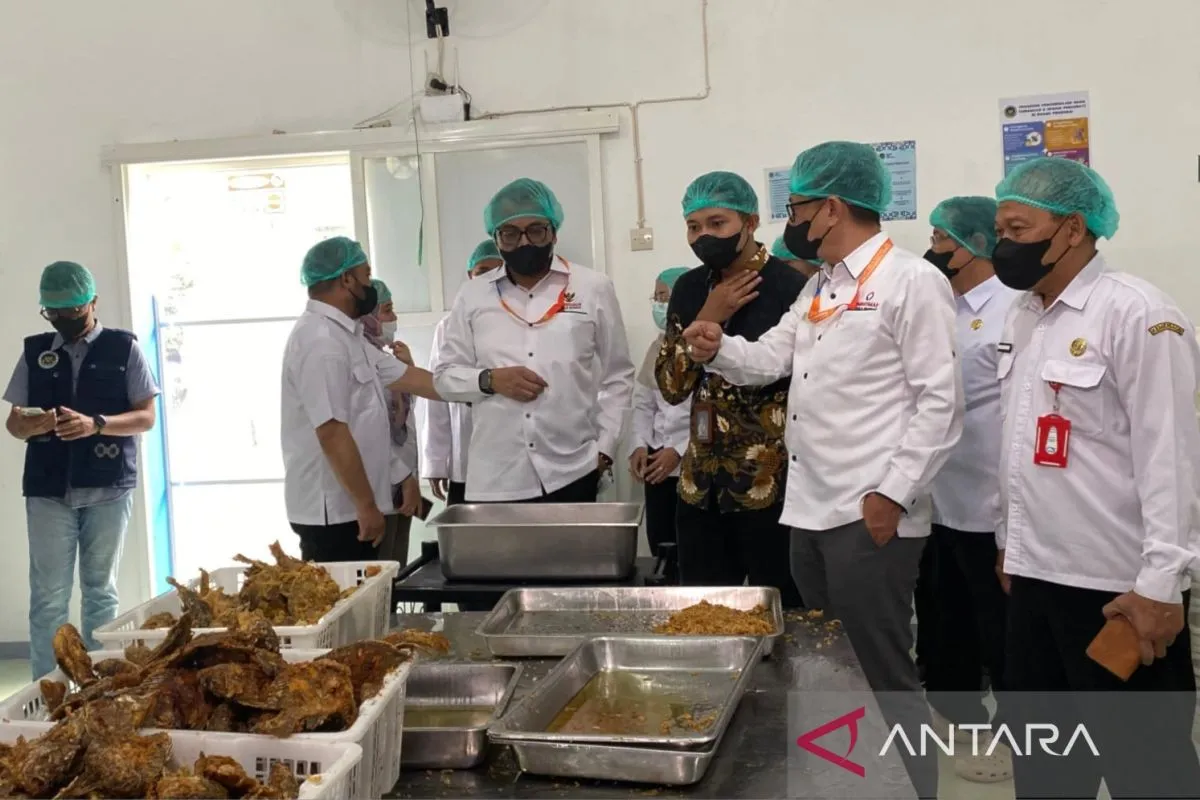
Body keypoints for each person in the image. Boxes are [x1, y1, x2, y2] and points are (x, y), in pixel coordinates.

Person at [683, 142, 962, 799]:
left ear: (831, 208)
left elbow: (941, 403)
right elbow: (770, 360)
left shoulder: (911, 281)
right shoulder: (821, 285)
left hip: (869, 513)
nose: (793, 221)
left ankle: (914, 789)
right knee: (831, 672)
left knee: (882, 673)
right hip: (808, 510)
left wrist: (892, 495)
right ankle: (853, 785)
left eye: (798, 207)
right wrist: (718, 347)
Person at [992, 156, 1200, 798]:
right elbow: (1019, 443)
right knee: (1047, 771)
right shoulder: (1024, 314)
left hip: (1117, 590)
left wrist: (1161, 584)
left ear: (1073, 228)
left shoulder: (1137, 313)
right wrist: (1008, 542)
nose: (1004, 245)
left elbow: (1171, 457)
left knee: (1150, 773)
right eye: (1000, 230)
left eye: (1019, 229)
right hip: (1034, 580)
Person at [654, 171, 805, 608]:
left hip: (770, 485)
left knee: (781, 611)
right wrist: (709, 313)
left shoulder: (789, 288)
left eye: (717, 223)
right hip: (700, 486)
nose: (704, 236)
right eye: (693, 226)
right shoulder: (689, 288)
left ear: (750, 222)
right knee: (703, 612)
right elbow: (671, 386)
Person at [433, 179, 634, 503]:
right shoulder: (472, 295)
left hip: (573, 470)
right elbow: (444, 378)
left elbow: (618, 374)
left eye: (536, 230)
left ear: (553, 232)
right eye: (510, 233)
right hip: (497, 476)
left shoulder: (592, 288)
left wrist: (605, 449)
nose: (524, 242)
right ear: (495, 238)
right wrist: (489, 380)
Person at [4, 261, 159, 679]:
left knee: (100, 591)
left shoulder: (123, 349)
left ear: (92, 302)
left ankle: (97, 685)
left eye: (72, 310)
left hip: (108, 488)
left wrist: (97, 424)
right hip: (48, 489)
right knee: (48, 597)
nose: (64, 319)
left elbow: (146, 416)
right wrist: (32, 425)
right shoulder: (36, 352)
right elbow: (14, 423)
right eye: (53, 312)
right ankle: (46, 690)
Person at [921, 196, 1020, 784]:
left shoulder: (1013, 307)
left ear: (977, 243)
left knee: (1001, 628)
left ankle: (1014, 734)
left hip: (991, 499)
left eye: (942, 239)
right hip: (940, 495)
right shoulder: (939, 305)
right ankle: (956, 715)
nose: (933, 249)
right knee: (946, 616)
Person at [282, 236, 441, 563]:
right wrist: (366, 506)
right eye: (366, 275)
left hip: (353, 508)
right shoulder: (321, 341)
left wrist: (487, 383)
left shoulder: (348, 337)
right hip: (335, 514)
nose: (370, 286)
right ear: (346, 279)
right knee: (345, 595)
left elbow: (411, 381)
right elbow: (332, 432)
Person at [420, 241, 505, 506]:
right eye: (482, 272)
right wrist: (436, 461)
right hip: (465, 458)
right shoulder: (448, 327)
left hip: (512, 459)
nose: (489, 278)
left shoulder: (523, 323)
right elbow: (436, 395)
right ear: (470, 275)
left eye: (497, 270)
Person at [630, 266, 691, 581]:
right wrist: (639, 444)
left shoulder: (704, 344)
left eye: (664, 297)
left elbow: (709, 412)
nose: (658, 304)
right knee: (661, 546)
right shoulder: (657, 346)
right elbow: (643, 401)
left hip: (691, 464)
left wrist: (678, 450)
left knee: (691, 550)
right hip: (656, 464)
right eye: (655, 297)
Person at [363, 278, 419, 566]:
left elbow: (405, 414)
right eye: (386, 310)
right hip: (380, 485)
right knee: (381, 571)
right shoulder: (361, 358)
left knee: (398, 567)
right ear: (368, 316)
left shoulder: (384, 358)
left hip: (402, 483)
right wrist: (403, 476)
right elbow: (370, 431)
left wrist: (408, 367)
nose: (393, 318)